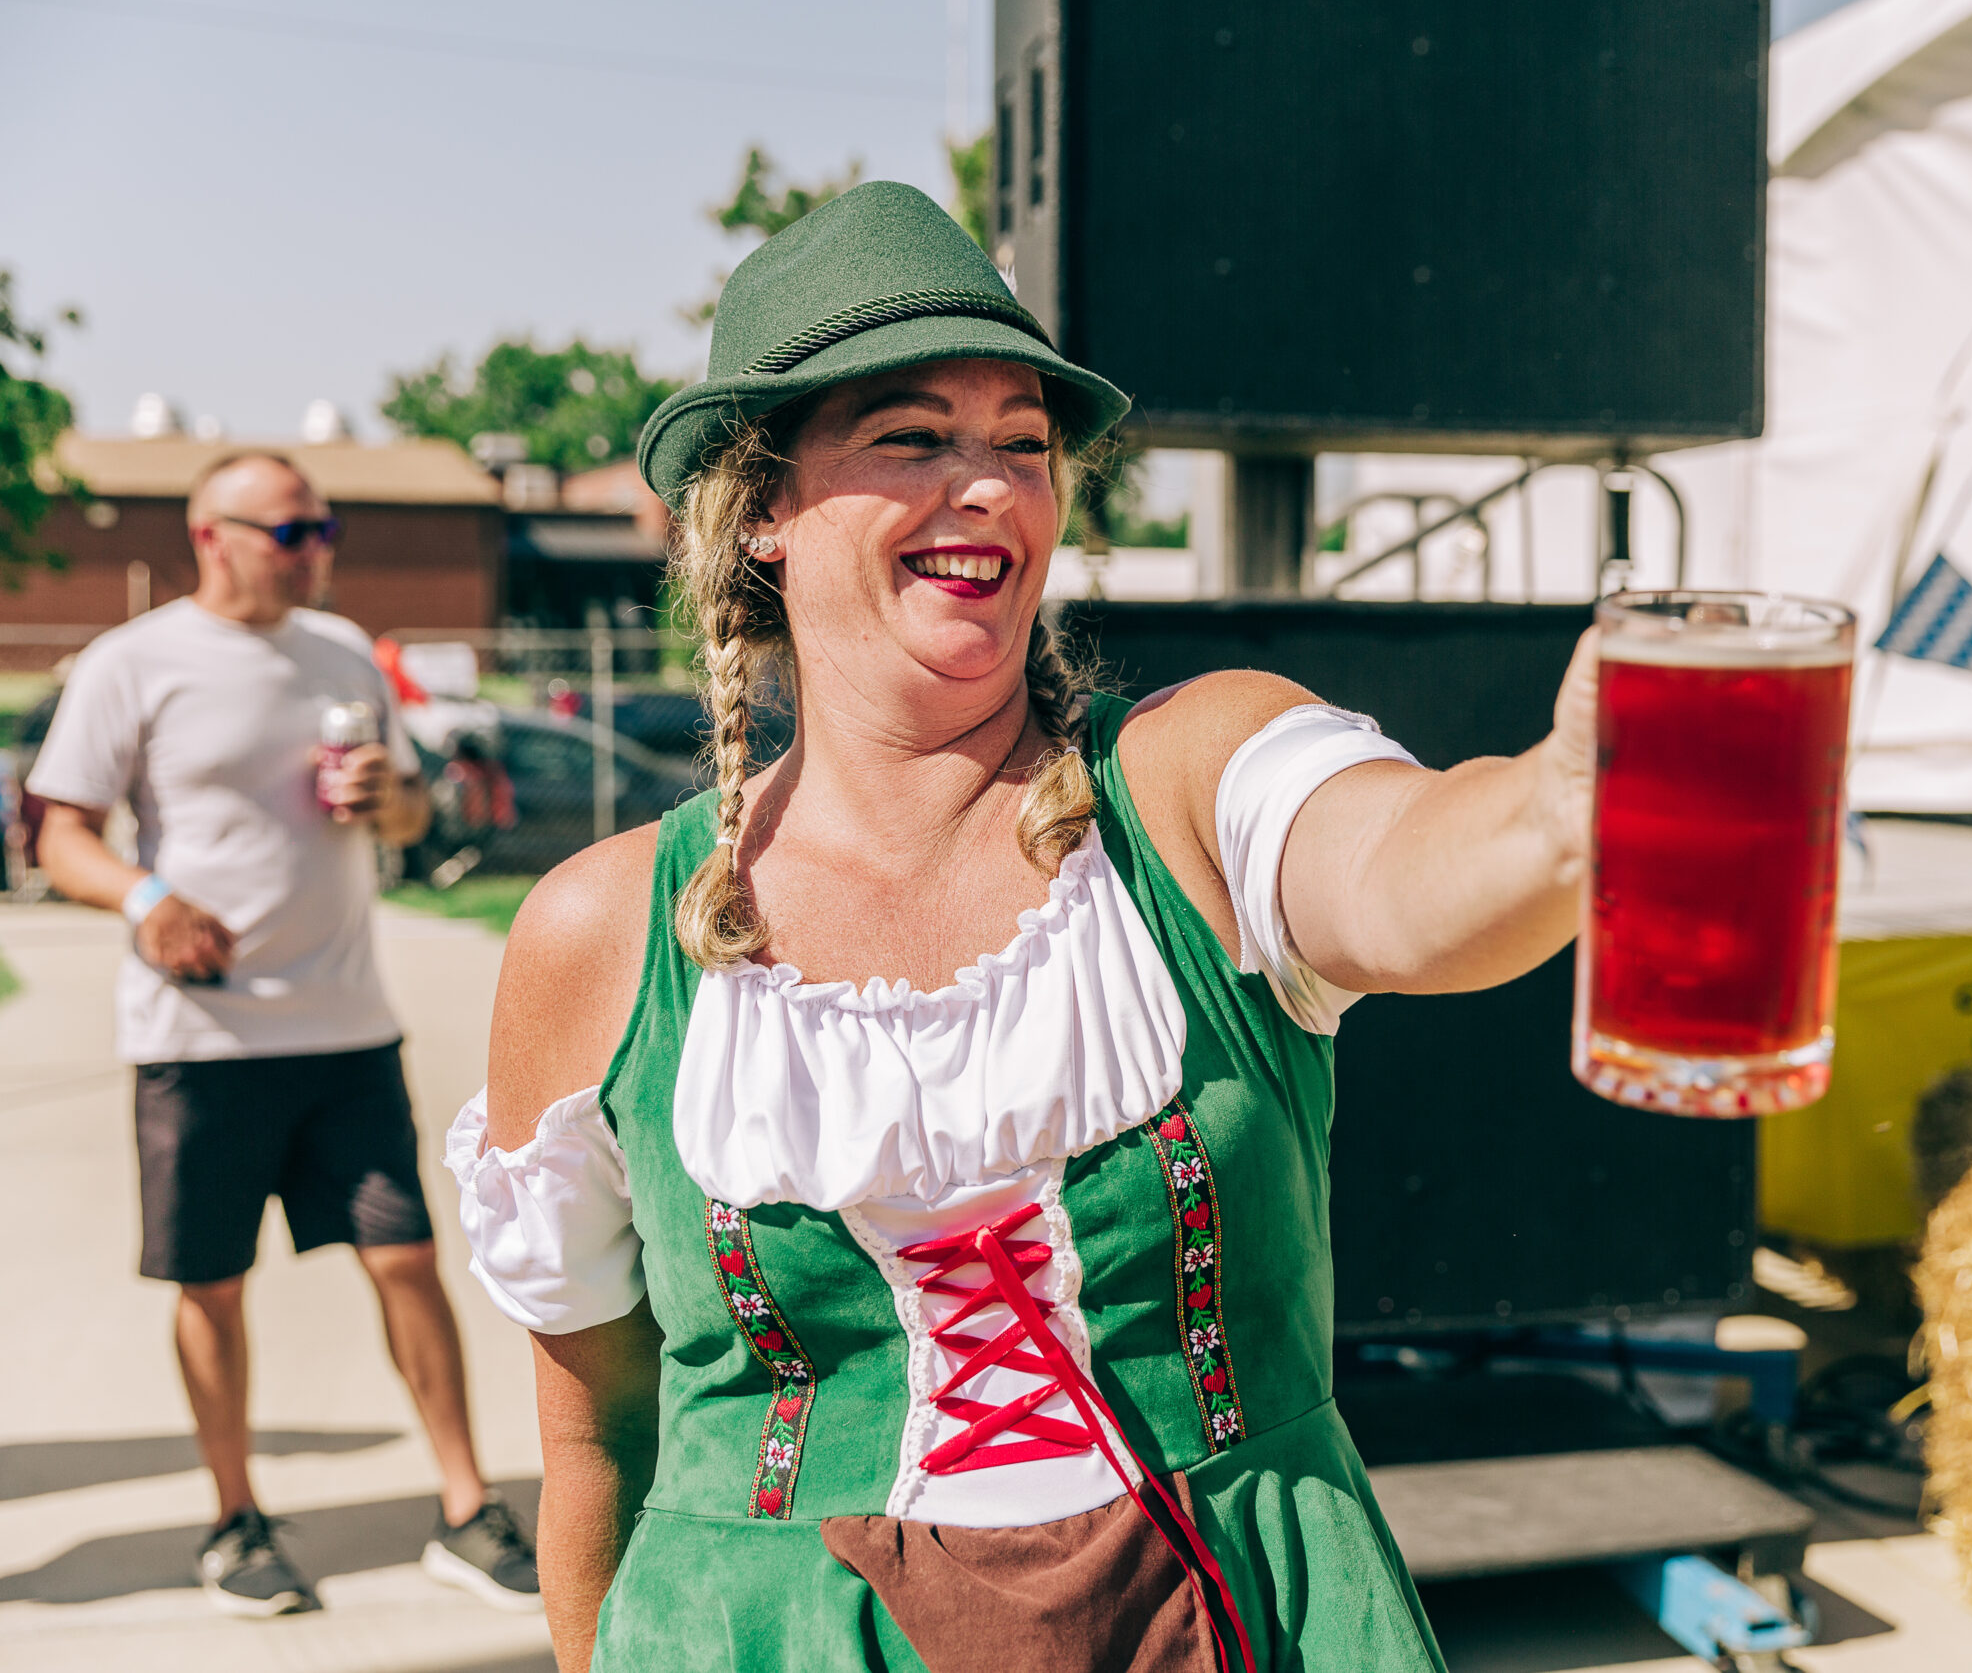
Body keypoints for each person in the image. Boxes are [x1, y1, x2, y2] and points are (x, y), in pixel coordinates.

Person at [447, 181, 1595, 1673]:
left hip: (1236, 1622)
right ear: (764, 509)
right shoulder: (601, 931)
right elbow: (596, 1437)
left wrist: (1566, 799)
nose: (987, 485)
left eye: (1023, 444)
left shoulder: (1184, 781)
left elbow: (1409, 875)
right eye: (913, 436)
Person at [29, 453, 540, 1618]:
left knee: (406, 1261)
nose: (316, 550)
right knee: (212, 1286)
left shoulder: (344, 652)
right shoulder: (132, 662)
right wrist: (147, 900)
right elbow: (60, 834)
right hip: (200, 1038)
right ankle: (235, 1520)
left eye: (326, 529)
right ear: (211, 535)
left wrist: (393, 801)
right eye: (292, 531)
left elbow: (407, 813)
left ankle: (466, 1510)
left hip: (347, 1029)